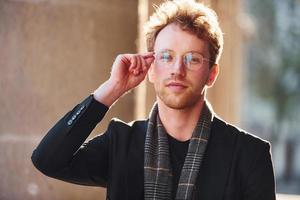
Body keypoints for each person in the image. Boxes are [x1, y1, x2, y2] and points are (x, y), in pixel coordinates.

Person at [31, 0, 276, 199]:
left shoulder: (250, 154)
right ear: (150, 68)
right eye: (166, 56)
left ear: (211, 74)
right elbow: (47, 160)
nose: (177, 70)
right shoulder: (121, 143)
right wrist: (112, 89)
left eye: (192, 58)